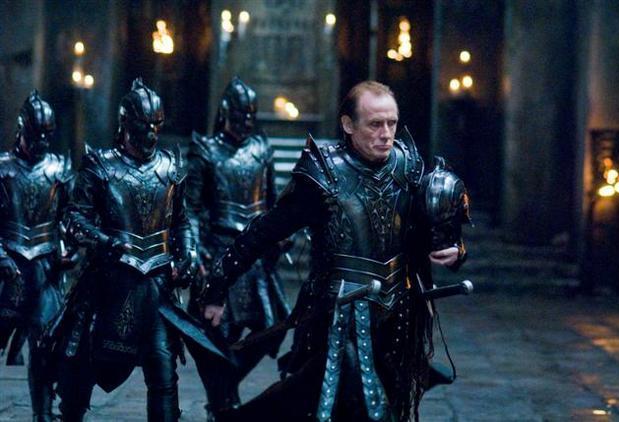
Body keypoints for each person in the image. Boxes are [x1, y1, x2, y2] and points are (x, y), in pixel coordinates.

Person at [199, 81, 469, 421]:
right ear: (348, 125)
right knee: (353, 403)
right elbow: (262, 233)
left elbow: (429, 234)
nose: (386, 134)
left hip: (398, 317)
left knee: (386, 404)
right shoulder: (324, 175)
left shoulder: (408, 167)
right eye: (375, 124)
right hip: (339, 315)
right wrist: (217, 288)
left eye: (392, 123)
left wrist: (455, 250)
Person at [53, 78, 228, 421]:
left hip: (157, 288)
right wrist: (104, 240)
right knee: (81, 369)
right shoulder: (101, 165)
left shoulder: (169, 166)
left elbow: (180, 221)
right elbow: (74, 217)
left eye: (156, 125)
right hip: (108, 283)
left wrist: (187, 254)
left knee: (163, 375)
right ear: (126, 123)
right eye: (143, 124)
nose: (150, 133)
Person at [186, 76, 290, 420]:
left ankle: (224, 389)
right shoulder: (206, 150)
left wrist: (282, 234)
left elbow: (273, 203)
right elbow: (192, 208)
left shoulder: (262, 149)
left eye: (250, 115)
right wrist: (196, 250)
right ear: (225, 112)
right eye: (240, 114)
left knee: (272, 327)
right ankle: (223, 402)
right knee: (219, 332)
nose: (246, 121)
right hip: (219, 250)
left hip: (256, 253)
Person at [0, 91, 74, 422]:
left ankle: (42, 415)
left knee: (45, 347)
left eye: (47, 135)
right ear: (22, 129)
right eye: (36, 134)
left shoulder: (59, 169)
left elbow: (71, 217)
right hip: (8, 268)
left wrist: (70, 247)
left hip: (45, 269)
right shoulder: (3, 170)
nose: (42, 141)